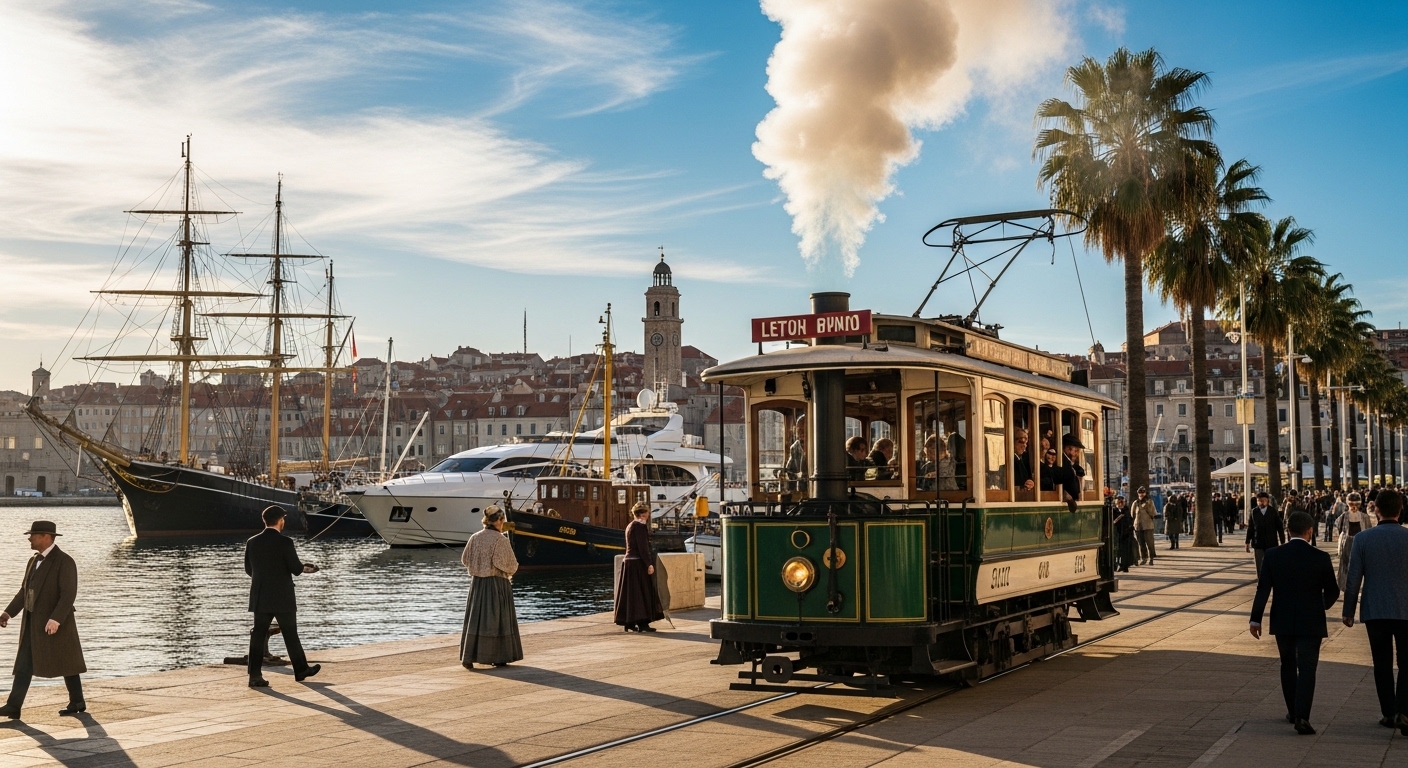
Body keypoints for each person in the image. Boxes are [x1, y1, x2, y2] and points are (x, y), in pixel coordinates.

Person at [1249, 511, 1339, 735]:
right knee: (1308, 667)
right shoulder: (1320, 557)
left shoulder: (1273, 555)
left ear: (1288, 531)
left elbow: (1263, 589)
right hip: (1311, 621)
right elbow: (1333, 592)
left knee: (1287, 664)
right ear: (1310, 531)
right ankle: (1302, 716)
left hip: (1283, 618)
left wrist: (1255, 618)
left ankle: (1292, 710)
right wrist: (1320, 606)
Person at [0, 521, 86, 719]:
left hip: (56, 623)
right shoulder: (33, 560)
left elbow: (68, 594)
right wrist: (7, 613)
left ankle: (77, 701)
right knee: (24, 664)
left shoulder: (65, 561)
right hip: (32, 623)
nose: (29, 538)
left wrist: (56, 619)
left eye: (33, 535)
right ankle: (13, 706)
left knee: (67, 660)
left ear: (46, 537)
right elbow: (24, 592)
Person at [1342, 488, 1408, 734]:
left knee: (1382, 663)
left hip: (1375, 610)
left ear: (1376, 509)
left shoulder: (1363, 539)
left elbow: (1353, 578)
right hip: (1405, 611)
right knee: (1406, 663)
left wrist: (1348, 610)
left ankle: (1389, 713)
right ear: (1400, 510)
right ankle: (1404, 710)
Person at [245, 505, 319, 688]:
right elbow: (295, 568)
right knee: (290, 633)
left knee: (258, 635)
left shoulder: (252, 542)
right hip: (282, 596)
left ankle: (254, 676)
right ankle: (301, 670)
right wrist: (305, 567)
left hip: (260, 595)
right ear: (280, 520)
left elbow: (249, 570)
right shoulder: (286, 542)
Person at [460, 506, 522, 669]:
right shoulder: (500, 539)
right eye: (503, 521)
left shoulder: (474, 537)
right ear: (500, 521)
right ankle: (498, 656)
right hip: (496, 584)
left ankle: (469, 657)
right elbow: (509, 565)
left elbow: (465, 559)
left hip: (477, 585)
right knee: (497, 621)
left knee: (475, 621)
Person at [615, 503, 664, 633]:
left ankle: (629, 622)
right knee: (643, 593)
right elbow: (643, 548)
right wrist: (649, 564)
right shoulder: (640, 526)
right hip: (637, 563)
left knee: (631, 594)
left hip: (628, 563)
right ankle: (643, 623)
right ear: (643, 514)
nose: (648, 516)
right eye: (647, 513)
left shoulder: (630, 526)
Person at [1336, 492, 1372, 591]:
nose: (1354, 507)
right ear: (1348, 504)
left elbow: (1368, 529)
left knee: (1361, 564)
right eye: (1352, 504)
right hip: (1347, 540)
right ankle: (1343, 585)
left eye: (1357, 505)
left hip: (1360, 542)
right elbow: (1340, 528)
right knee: (1345, 563)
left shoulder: (1364, 517)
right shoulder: (1344, 516)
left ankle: (1361, 584)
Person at [1246, 491, 1286, 578]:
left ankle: (1271, 578)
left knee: (1271, 563)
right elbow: (1250, 527)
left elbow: (1279, 527)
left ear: (1267, 501)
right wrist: (1247, 541)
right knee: (1259, 564)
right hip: (1258, 542)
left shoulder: (1273, 512)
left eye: (1263, 500)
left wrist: (1282, 541)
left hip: (1271, 542)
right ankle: (1261, 580)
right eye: (1259, 501)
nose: (1261, 503)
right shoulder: (1254, 512)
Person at [1131, 487, 1157, 566]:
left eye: (1143, 493)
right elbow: (1132, 514)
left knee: (1150, 543)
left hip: (1148, 526)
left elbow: (1153, 513)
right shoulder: (1135, 503)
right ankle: (1144, 558)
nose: (1141, 494)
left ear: (1145, 493)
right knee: (1141, 543)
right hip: (1138, 526)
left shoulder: (1150, 502)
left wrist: (1147, 506)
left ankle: (1151, 558)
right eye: (1140, 493)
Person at [1111, 495, 1135, 573]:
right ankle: (1116, 565)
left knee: (1125, 551)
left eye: (1122, 502)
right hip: (1116, 533)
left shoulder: (1126, 510)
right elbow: (1112, 522)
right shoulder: (1113, 511)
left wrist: (1130, 528)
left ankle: (1124, 566)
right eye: (1118, 502)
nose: (1120, 504)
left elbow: (1130, 520)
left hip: (1125, 534)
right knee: (1116, 551)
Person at [784, 416, 806, 493]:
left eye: (804, 430)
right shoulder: (794, 447)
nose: (801, 433)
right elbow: (789, 470)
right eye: (799, 430)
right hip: (801, 489)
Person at [1013, 429, 1034, 493]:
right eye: (1021, 442)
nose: (1025, 446)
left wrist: (1030, 483)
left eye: (1026, 443)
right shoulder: (1009, 460)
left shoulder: (1022, 460)